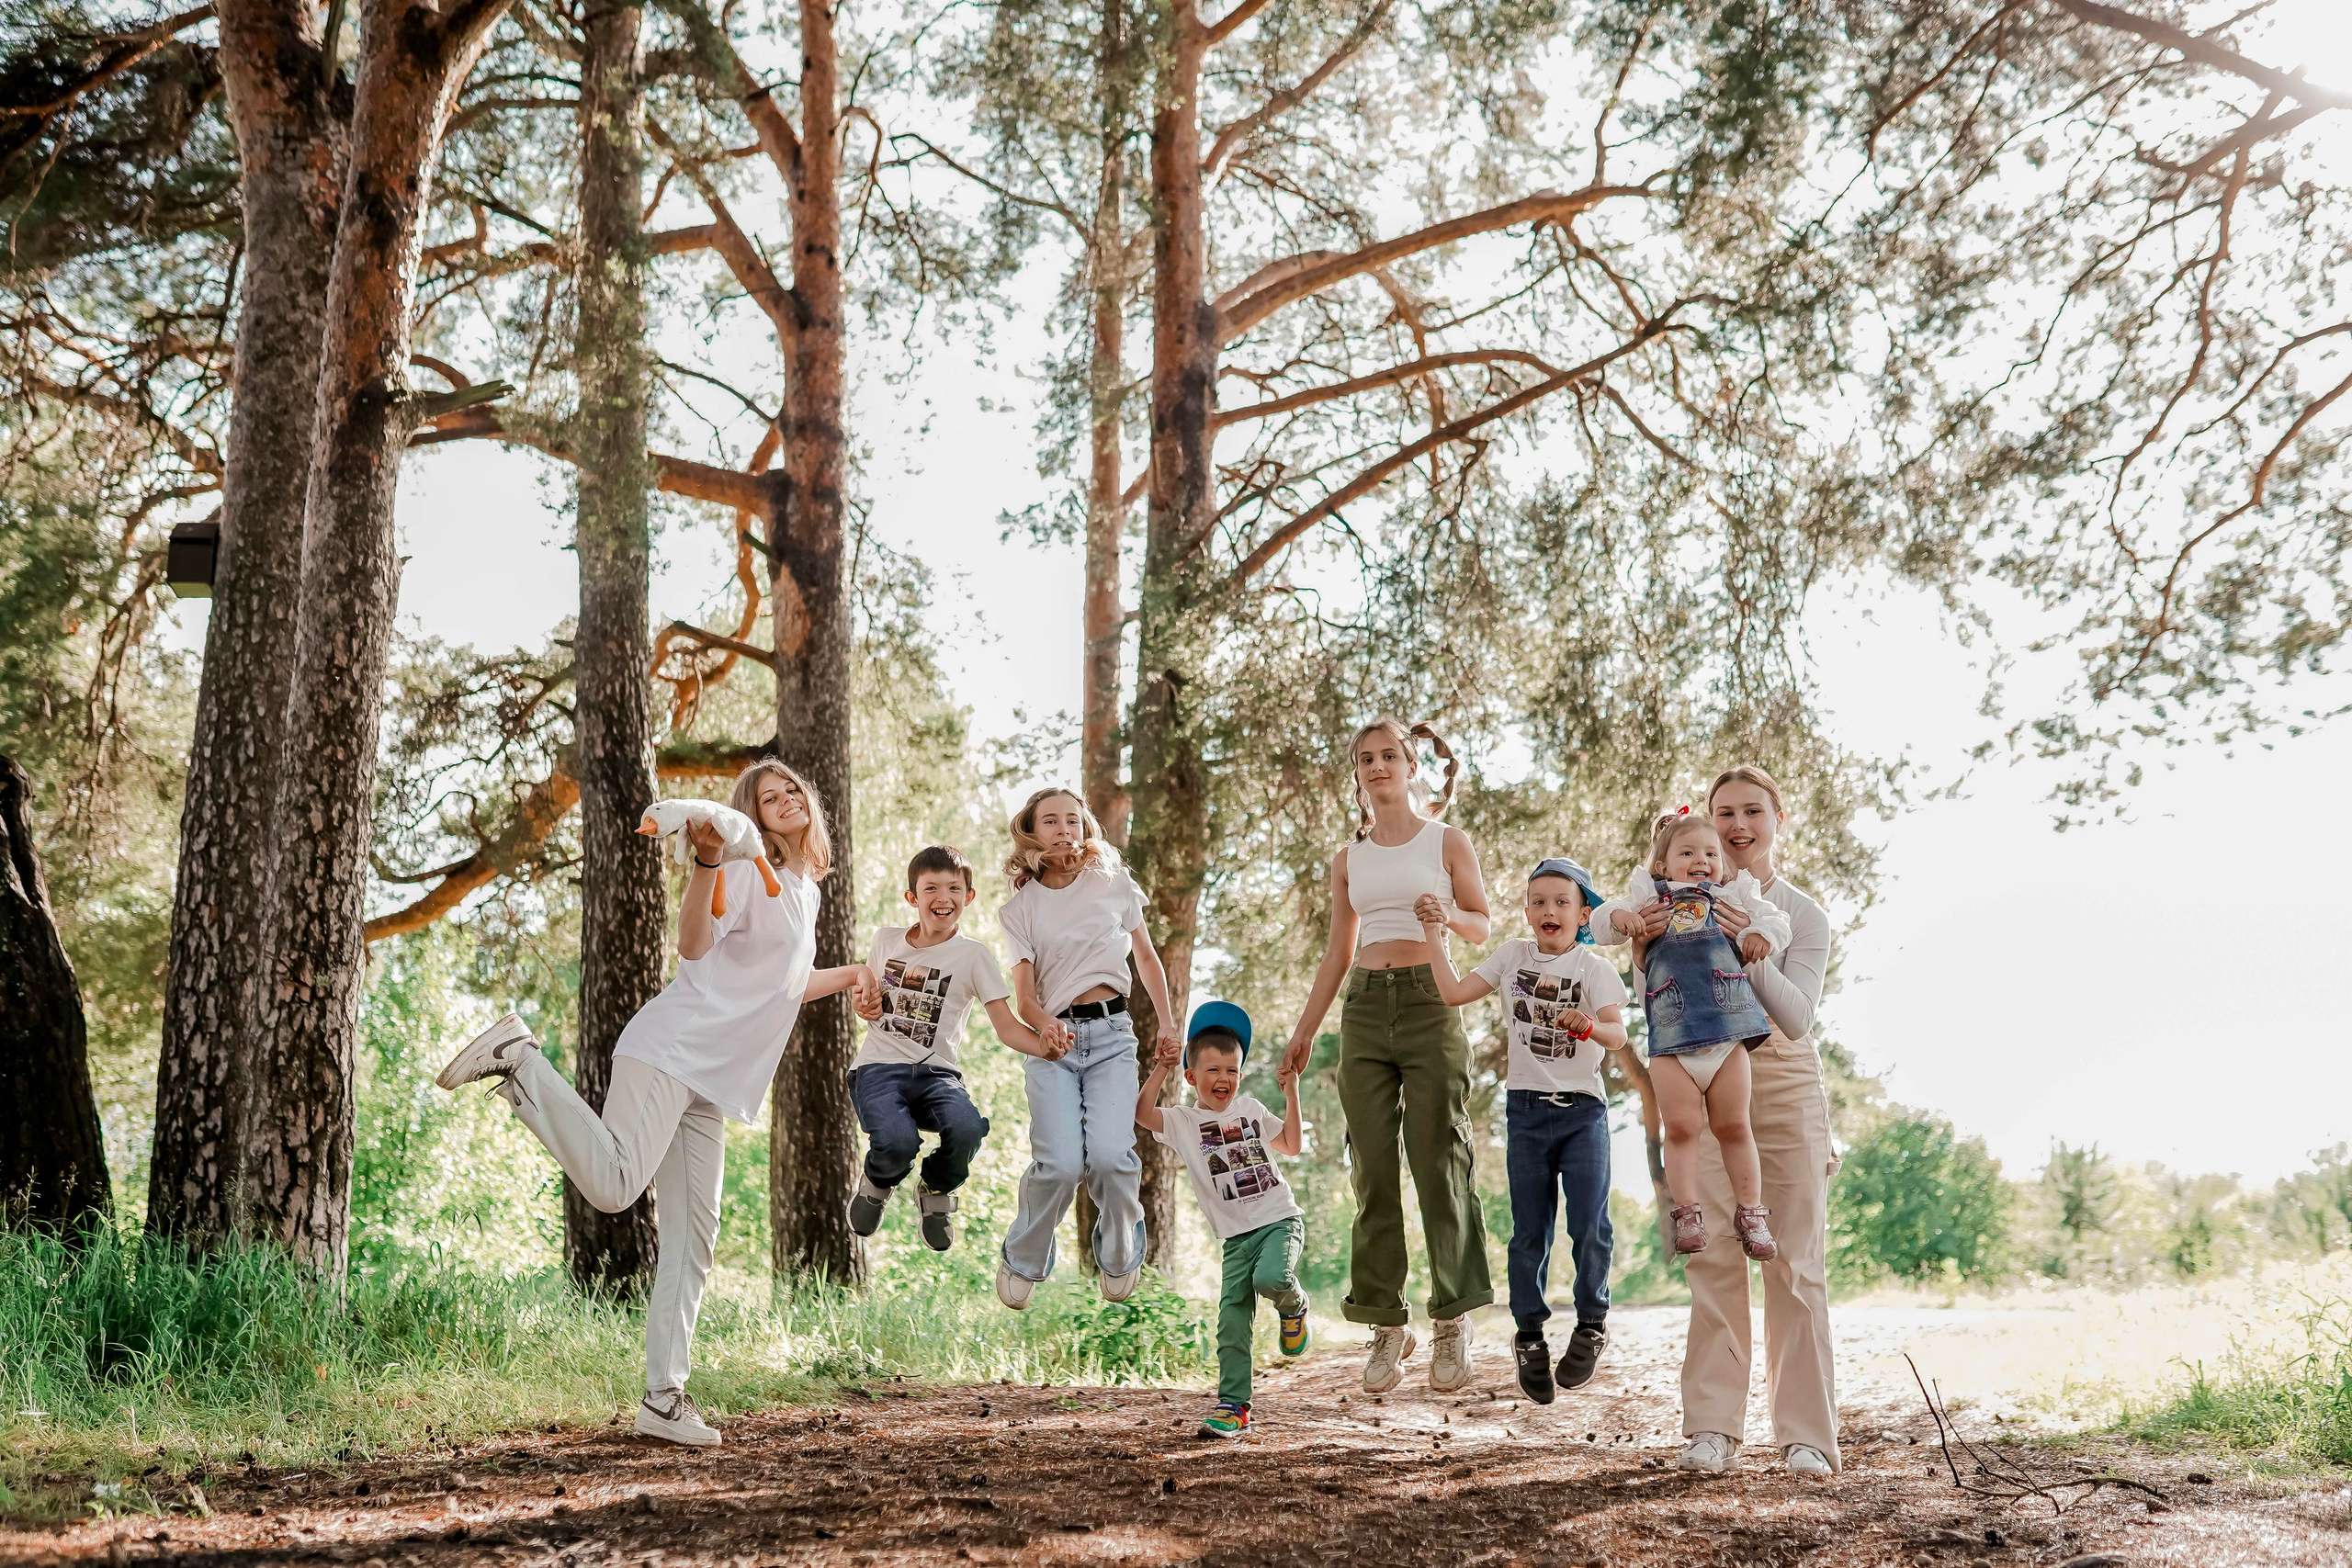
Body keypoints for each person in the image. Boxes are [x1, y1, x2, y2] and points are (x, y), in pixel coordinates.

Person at [434, 760, 877, 1449]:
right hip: (671, 1050)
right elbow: (694, 944)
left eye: (792, 789)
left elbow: (784, 983)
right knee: (615, 1185)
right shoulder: (739, 866)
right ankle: (521, 1059)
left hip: (711, 1080)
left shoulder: (801, 889)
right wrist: (705, 862)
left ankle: (662, 1398)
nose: (786, 797)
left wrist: (854, 974)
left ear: (808, 804)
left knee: (693, 1239)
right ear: (751, 816)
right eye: (768, 795)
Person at [1597, 765, 1838, 1479]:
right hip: (1699, 1072)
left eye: (1752, 812)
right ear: (1703, 824)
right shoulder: (1672, 898)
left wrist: (1746, 947)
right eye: (1724, 812)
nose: (1737, 826)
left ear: (1777, 818)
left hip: (1783, 1078)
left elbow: (1797, 1016)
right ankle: (1710, 1428)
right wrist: (1642, 941)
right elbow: (1649, 992)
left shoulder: (1801, 911)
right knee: (1714, 1258)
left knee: (1793, 1261)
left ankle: (1806, 1436)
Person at [1281, 717, 1494, 1394]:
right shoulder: (1350, 858)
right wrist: (1307, 1028)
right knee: (1371, 1167)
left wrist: (1448, 917)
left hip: (1433, 1001)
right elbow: (1339, 950)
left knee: (1439, 1160)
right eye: (1365, 759)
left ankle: (1453, 1318)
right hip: (1366, 1009)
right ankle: (1385, 1321)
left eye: (1388, 756)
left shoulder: (1446, 841)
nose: (1377, 767)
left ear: (1411, 765)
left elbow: (1483, 921)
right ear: (1359, 773)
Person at [1419, 857, 1626, 1405]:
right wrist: (1434, 934)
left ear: (1584, 913)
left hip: (1584, 1112)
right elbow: (1454, 992)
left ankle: (1591, 1323)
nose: (1549, 910)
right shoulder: (1512, 955)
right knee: (1529, 1232)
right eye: (1539, 901)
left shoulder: (1595, 968)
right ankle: (1529, 1335)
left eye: (1562, 901)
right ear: (1528, 912)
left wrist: (1590, 1025)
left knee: (1589, 1224)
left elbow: (1619, 1037)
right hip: (1527, 1112)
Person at [994, 787, 1180, 1308]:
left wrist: (1168, 1023)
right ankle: (1023, 1259)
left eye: (1073, 820)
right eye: (1050, 820)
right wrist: (1045, 1026)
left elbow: (1146, 958)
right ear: (1032, 831)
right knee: (1060, 1166)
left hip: (1112, 1037)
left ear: (1086, 828)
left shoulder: (1112, 883)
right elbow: (1026, 998)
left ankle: (1120, 1254)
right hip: (1052, 1045)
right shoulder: (1019, 908)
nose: (1064, 828)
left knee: (1110, 1158)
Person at [1591, 811, 1789, 1261]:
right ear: (1662, 866)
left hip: (1727, 1031)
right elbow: (1601, 921)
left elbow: (1777, 921)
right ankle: (1687, 1211)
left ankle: (1751, 1213)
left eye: (1710, 853)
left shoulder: (1735, 895)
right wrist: (1623, 917)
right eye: (1687, 853)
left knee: (1735, 1126)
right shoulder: (1649, 896)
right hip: (1673, 1034)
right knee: (1681, 1129)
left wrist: (1761, 934)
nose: (1701, 860)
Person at [844, 844, 1062, 1251]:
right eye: (931, 889)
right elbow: (869, 1004)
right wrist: (862, 1003)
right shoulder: (886, 941)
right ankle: (876, 1183)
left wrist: (1042, 1047)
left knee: (966, 1128)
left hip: (937, 1074)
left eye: (953, 888)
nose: (943, 898)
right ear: (913, 898)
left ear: (968, 896)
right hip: (878, 1068)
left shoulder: (974, 956)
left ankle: (937, 1190)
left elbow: (1006, 1027)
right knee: (897, 1141)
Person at [1136, 1001, 1309, 1440]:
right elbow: (1141, 1112)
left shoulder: (1250, 1109)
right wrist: (1161, 1067)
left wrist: (1292, 1094)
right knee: (1232, 1322)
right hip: (1234, 1239)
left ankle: (1294, 1306)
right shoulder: (1182, 1121)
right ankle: (1234, 1405)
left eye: (1232, 1071)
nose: (1224, 1080)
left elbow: (1290, 1144)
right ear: (1192, 1077)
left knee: (1272, 1279)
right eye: (1213, 1071)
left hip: (1278, 1221)